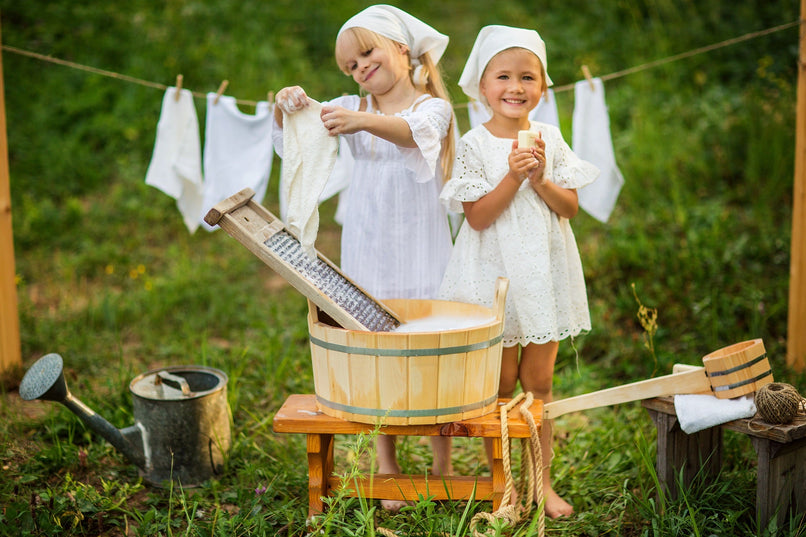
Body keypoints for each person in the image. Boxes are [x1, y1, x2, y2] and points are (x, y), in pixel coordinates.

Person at [273, 5, 456, 511]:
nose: (360, 69)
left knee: (431, 342)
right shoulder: (350, 104)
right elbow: (302, 131)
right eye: (351, 66)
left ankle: (442, 461)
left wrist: (361, 120)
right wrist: (288, 105)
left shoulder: (431, 107)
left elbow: (410, 134)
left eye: (367, 53)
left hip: (421, 244)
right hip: (369, 242)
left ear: (401, 47)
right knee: (374, 343)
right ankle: (387, 462)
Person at [438, 25, 599, 518]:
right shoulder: (473, 143)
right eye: (503, 76)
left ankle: (541, 484)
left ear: (543, 87)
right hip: (495, 282)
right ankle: (503, 483)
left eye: (527, 77)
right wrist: (512, 175)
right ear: (482, 87)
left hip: (542, 279)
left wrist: (539, 176)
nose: (515, 87)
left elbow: (569, 209)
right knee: (500, 390)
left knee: (540, 387)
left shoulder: (549, 137)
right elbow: (479, 217)